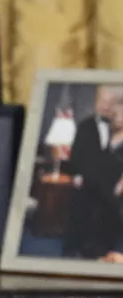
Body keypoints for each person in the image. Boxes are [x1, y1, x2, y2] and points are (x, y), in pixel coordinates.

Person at [63, 85, 123, 258]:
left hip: (112, 184)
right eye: (101, 101)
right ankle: (74, 250)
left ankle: (103, 250)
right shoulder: (85, 126)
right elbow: (77, 158)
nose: (105, 105)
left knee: (107, 211)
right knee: (85, 203)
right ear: (96, 101)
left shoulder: (117, 127)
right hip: (90, 181)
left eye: (109, 102)